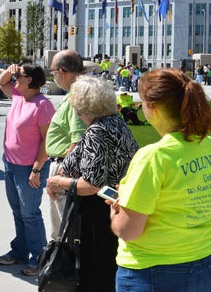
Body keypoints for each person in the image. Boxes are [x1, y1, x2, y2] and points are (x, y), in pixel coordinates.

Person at [109, 68, 211, 292]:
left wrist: (116, 211)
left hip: (152, 272)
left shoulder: (153, 157)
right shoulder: (210, 146)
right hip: (202, 265)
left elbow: (128, 230)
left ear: (152, 107)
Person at [46, 76, 139, 291]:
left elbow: (91, 185)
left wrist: (58, 181)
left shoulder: (97, 131)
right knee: (106, 269)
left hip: (95, 213)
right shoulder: (116, 122)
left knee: (92, 272)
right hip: (113, 205)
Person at [0, 63, 55, 276]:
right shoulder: (19, 96)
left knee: (30, 213)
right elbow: (0, 82)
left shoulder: (43, 105)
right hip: (10, 163)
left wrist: (37, 168)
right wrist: (10, 70)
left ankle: (40, 258)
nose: (14, 78)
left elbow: (48, 139)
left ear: (30, 80)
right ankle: (19, 251)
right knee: (17, 211)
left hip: (29, 167)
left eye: (18, 75)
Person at [44, 50, 87, 240]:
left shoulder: (75, 97)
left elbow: (77, 141)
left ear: (61, 71)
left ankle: (59, 267)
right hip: (64, 165)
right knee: (61, 226)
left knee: (62, 228)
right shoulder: (74, 94)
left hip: (64, 166)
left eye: (52, 71)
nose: (53, 75)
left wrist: (60, 177)